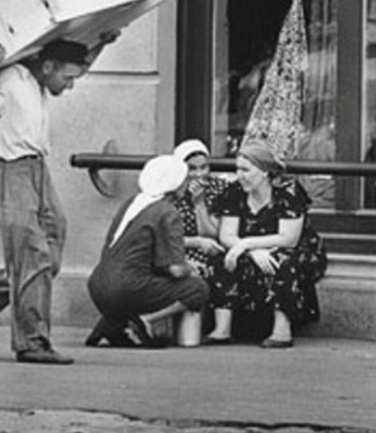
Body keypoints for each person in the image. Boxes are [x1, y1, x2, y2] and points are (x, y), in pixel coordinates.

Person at [0, 34, 116, 365]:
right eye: (67, 78)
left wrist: (101, 43)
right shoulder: (10, 79)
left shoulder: (38, 80)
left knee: (50, 250)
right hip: (11, 171)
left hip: (37, 170)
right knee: (32, 254)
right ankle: (31, 342)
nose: (71, 85)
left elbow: (79, 69)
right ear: (48, 66)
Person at [203, 140, 328, 348]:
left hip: (296, 249)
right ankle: (222, 329)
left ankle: (282, 330)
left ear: (264, 172)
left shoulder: (289, 192)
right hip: (252, 247)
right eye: (237, 170)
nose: (240, 175)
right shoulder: (236, 192)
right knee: (222, 258)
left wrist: (247, 244)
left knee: (284, 261)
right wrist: (251, 251)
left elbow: (289, 238)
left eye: (246, 170)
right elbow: (226, 235)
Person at [85, 154, 210, 348]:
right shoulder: (168, 212)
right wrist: (191, 269)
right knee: (198, 288)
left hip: (97, 285)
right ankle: (146, 320)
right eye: (184, 179)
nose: (186, 183)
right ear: (174, 183)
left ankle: (112, 324)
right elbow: (176, 269)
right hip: (127, 288)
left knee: (136, 285)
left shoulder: (132, 203)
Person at [170, 139, 229, 278]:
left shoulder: (219, 188)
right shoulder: (171, 192)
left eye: (204, 167)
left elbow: (215, 233)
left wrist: (199, 204)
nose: (199, 174)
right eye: (192, 168)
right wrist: (195, 242)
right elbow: (163, 238)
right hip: (180, 252)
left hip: (213, 251)